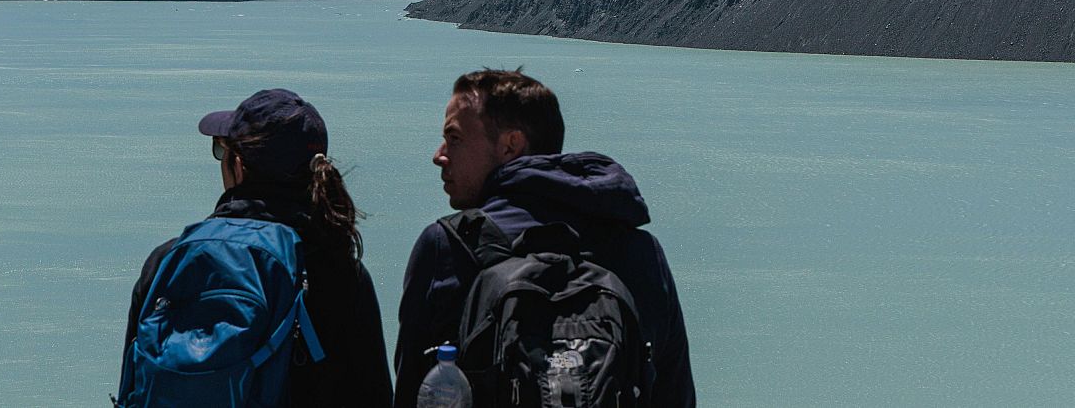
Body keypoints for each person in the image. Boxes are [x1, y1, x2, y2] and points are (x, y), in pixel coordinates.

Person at [393, 69, 695, 407]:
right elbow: (676, 395)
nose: (440, 155)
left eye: (455, 138)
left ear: (510, 145)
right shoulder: (642, 251)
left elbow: (411, 392)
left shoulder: (445, 246)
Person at [119, 88, 393, 407]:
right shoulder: (341, 273)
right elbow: (374, 396)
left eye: (222, 152)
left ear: (239, 166)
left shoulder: (167, 261)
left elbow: (133, 389)